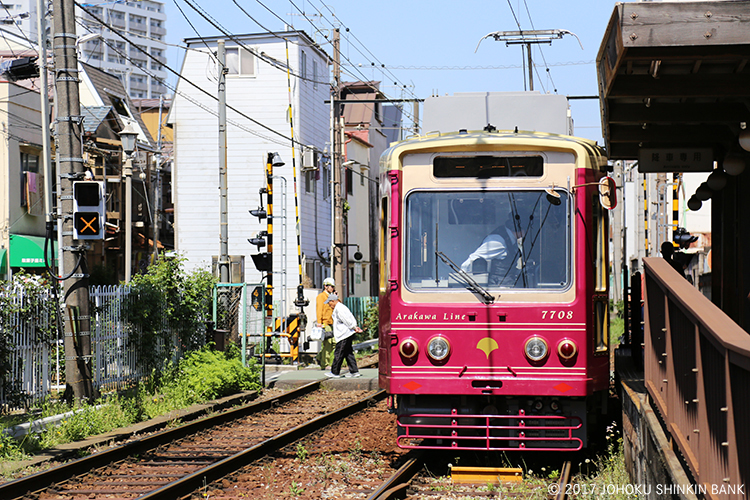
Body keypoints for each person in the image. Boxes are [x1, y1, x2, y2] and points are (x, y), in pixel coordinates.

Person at [461, 218, 526, 286]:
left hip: (508, 282)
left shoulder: (511, 238)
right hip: (498, 286)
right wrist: (461, 280)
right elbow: (473, 259)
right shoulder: (497, 240)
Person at [324, 293, 363, 379]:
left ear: (333, 301)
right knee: (348, 353)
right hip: (347, 333)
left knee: (339, 353)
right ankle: (354, 371)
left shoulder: (339, 309)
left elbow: (347, 320)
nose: (329, 305)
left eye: (329, 303)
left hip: (344, 334)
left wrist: (353, 327)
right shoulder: (341, 307)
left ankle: (335, 372)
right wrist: (354, 327)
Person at [315, 277, 336, 369]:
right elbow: (319, 310)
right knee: (328, 343)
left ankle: (319, 357)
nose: (332, 288)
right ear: (325, 286)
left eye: (333, 286)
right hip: (325, 323)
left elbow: (337, 305)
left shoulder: (331, 296)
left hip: (332, 323)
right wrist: (319, 322)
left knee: (334, 343)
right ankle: (325, 364)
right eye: (330, 286)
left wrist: (336, 297)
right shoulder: (321, 296)